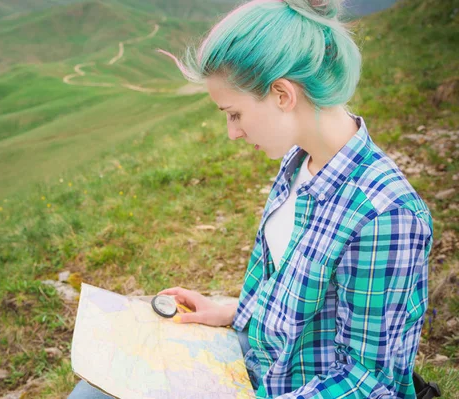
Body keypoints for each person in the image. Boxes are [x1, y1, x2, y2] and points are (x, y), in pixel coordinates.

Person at [68, 0, 434, 398]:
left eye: (234, 114)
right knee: (92, 390)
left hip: (291, 389)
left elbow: (367, 382)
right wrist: (230, 313)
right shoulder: (297, 162)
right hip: (257, 366)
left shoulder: (386, 215)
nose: (232, 132)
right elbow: (289, 292)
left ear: (282, 94)